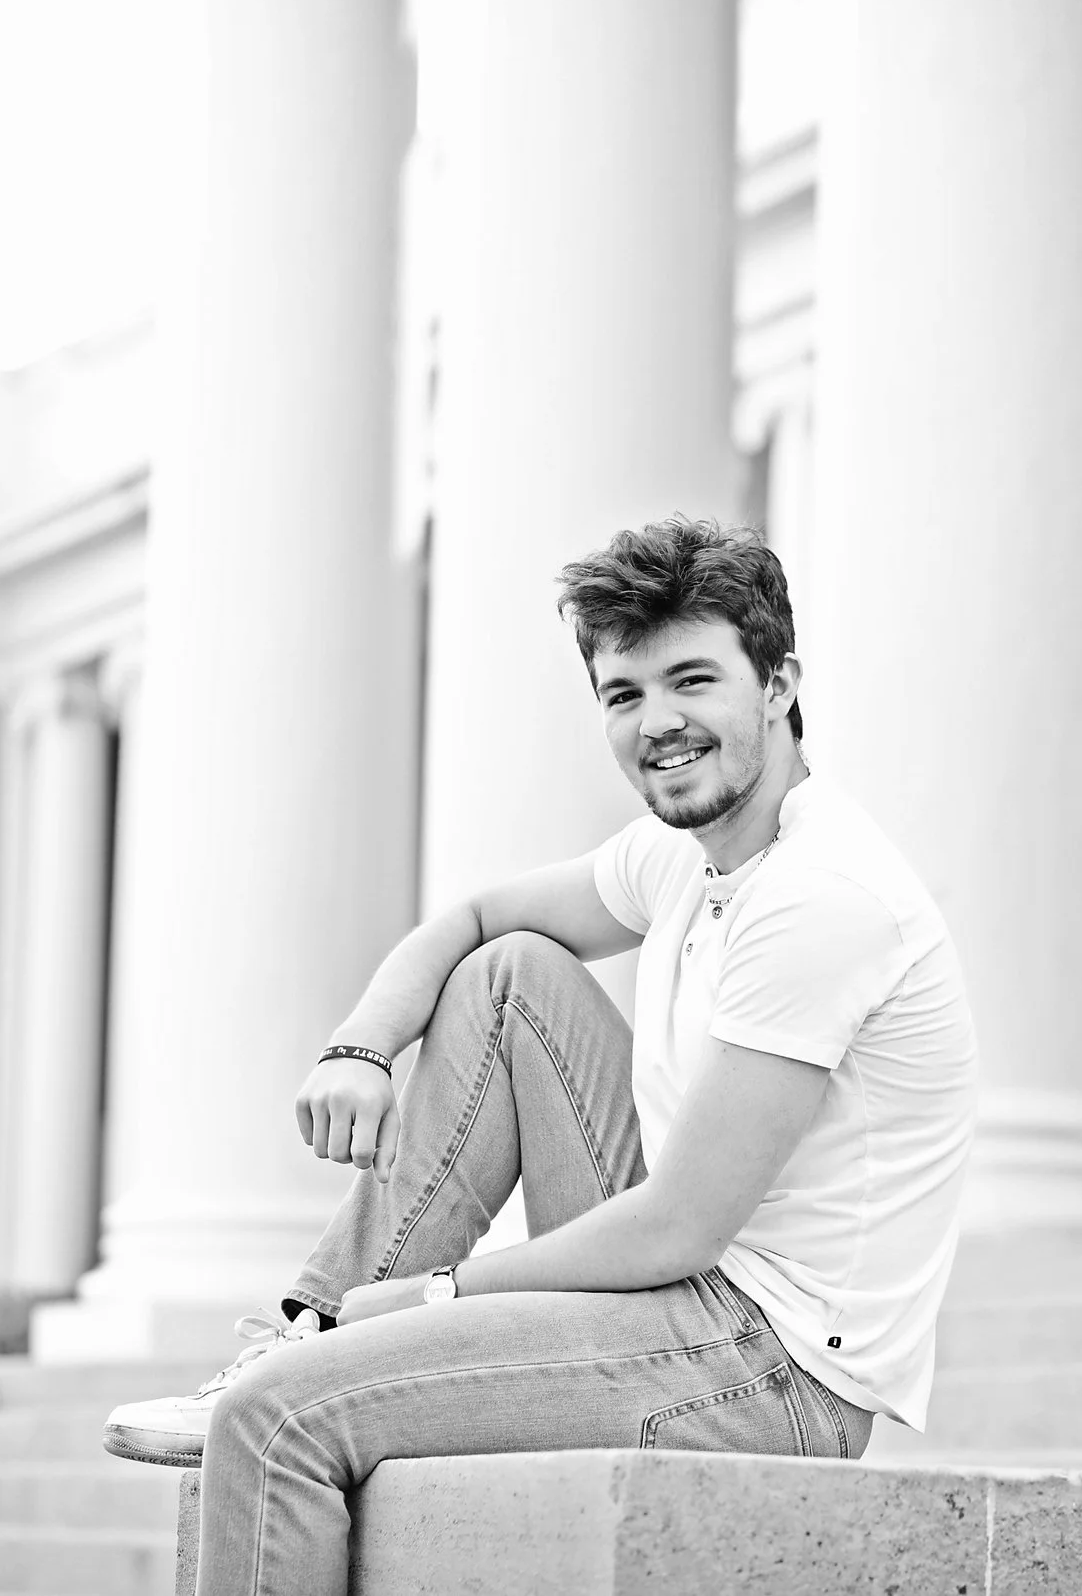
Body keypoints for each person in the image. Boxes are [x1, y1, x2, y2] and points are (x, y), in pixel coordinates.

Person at [102, 516, 978, 1595]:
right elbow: (474, 917)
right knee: (512, 972)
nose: (658, 723)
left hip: (771, 1368)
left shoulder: (819, 897)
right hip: (692, 1294)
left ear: (778, 683)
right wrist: (361, 1046)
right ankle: (307, 1320)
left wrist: (434, 1297)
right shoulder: (683, 853)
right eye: (624, 694)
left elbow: (678, 1223)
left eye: (691, 680)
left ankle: (301, 1357)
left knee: (278, 1421)